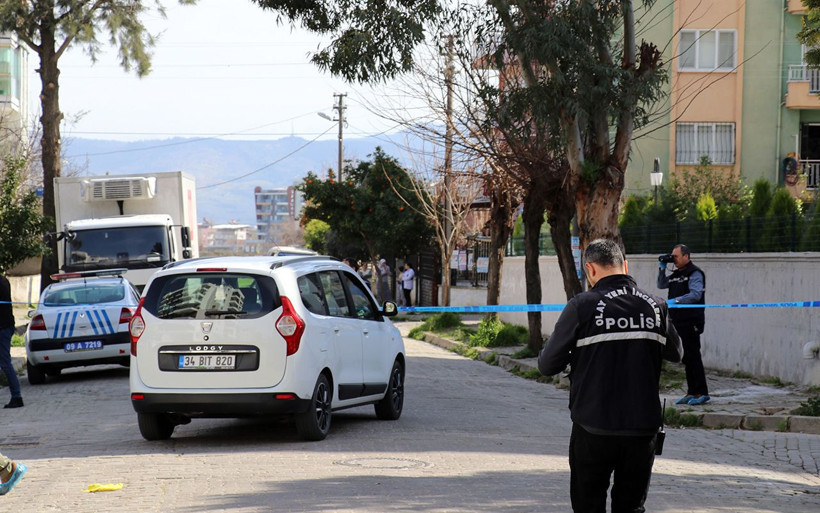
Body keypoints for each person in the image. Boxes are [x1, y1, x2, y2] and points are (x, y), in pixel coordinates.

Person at [538, 238, 682, 513]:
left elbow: (547, 365)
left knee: (588, 505)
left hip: (593, 425)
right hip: (642, 428)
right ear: (624, 265)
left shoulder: (582, 306)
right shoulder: (656, 306)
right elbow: (677, 353)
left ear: (590, 270)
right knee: (631, 507)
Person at [657, 244, 710, 406]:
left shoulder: (694, 273)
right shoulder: (676, 274)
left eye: (676, 256)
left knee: (693, 356)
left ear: (686, 256)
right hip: (677, 321)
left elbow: (695, 295)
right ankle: (691, 391)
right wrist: (662, 269)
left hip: (691, 321)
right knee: (686, 358)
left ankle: (702, 392)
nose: (674, 259)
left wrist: (676, 301)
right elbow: (661, 285)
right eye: (672, 256)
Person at [0, 272, 23, 409]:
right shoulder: (4, 280)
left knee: (5, 363)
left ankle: (16, 396)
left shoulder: (1, 283)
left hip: (2, 328)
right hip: (5, 326)